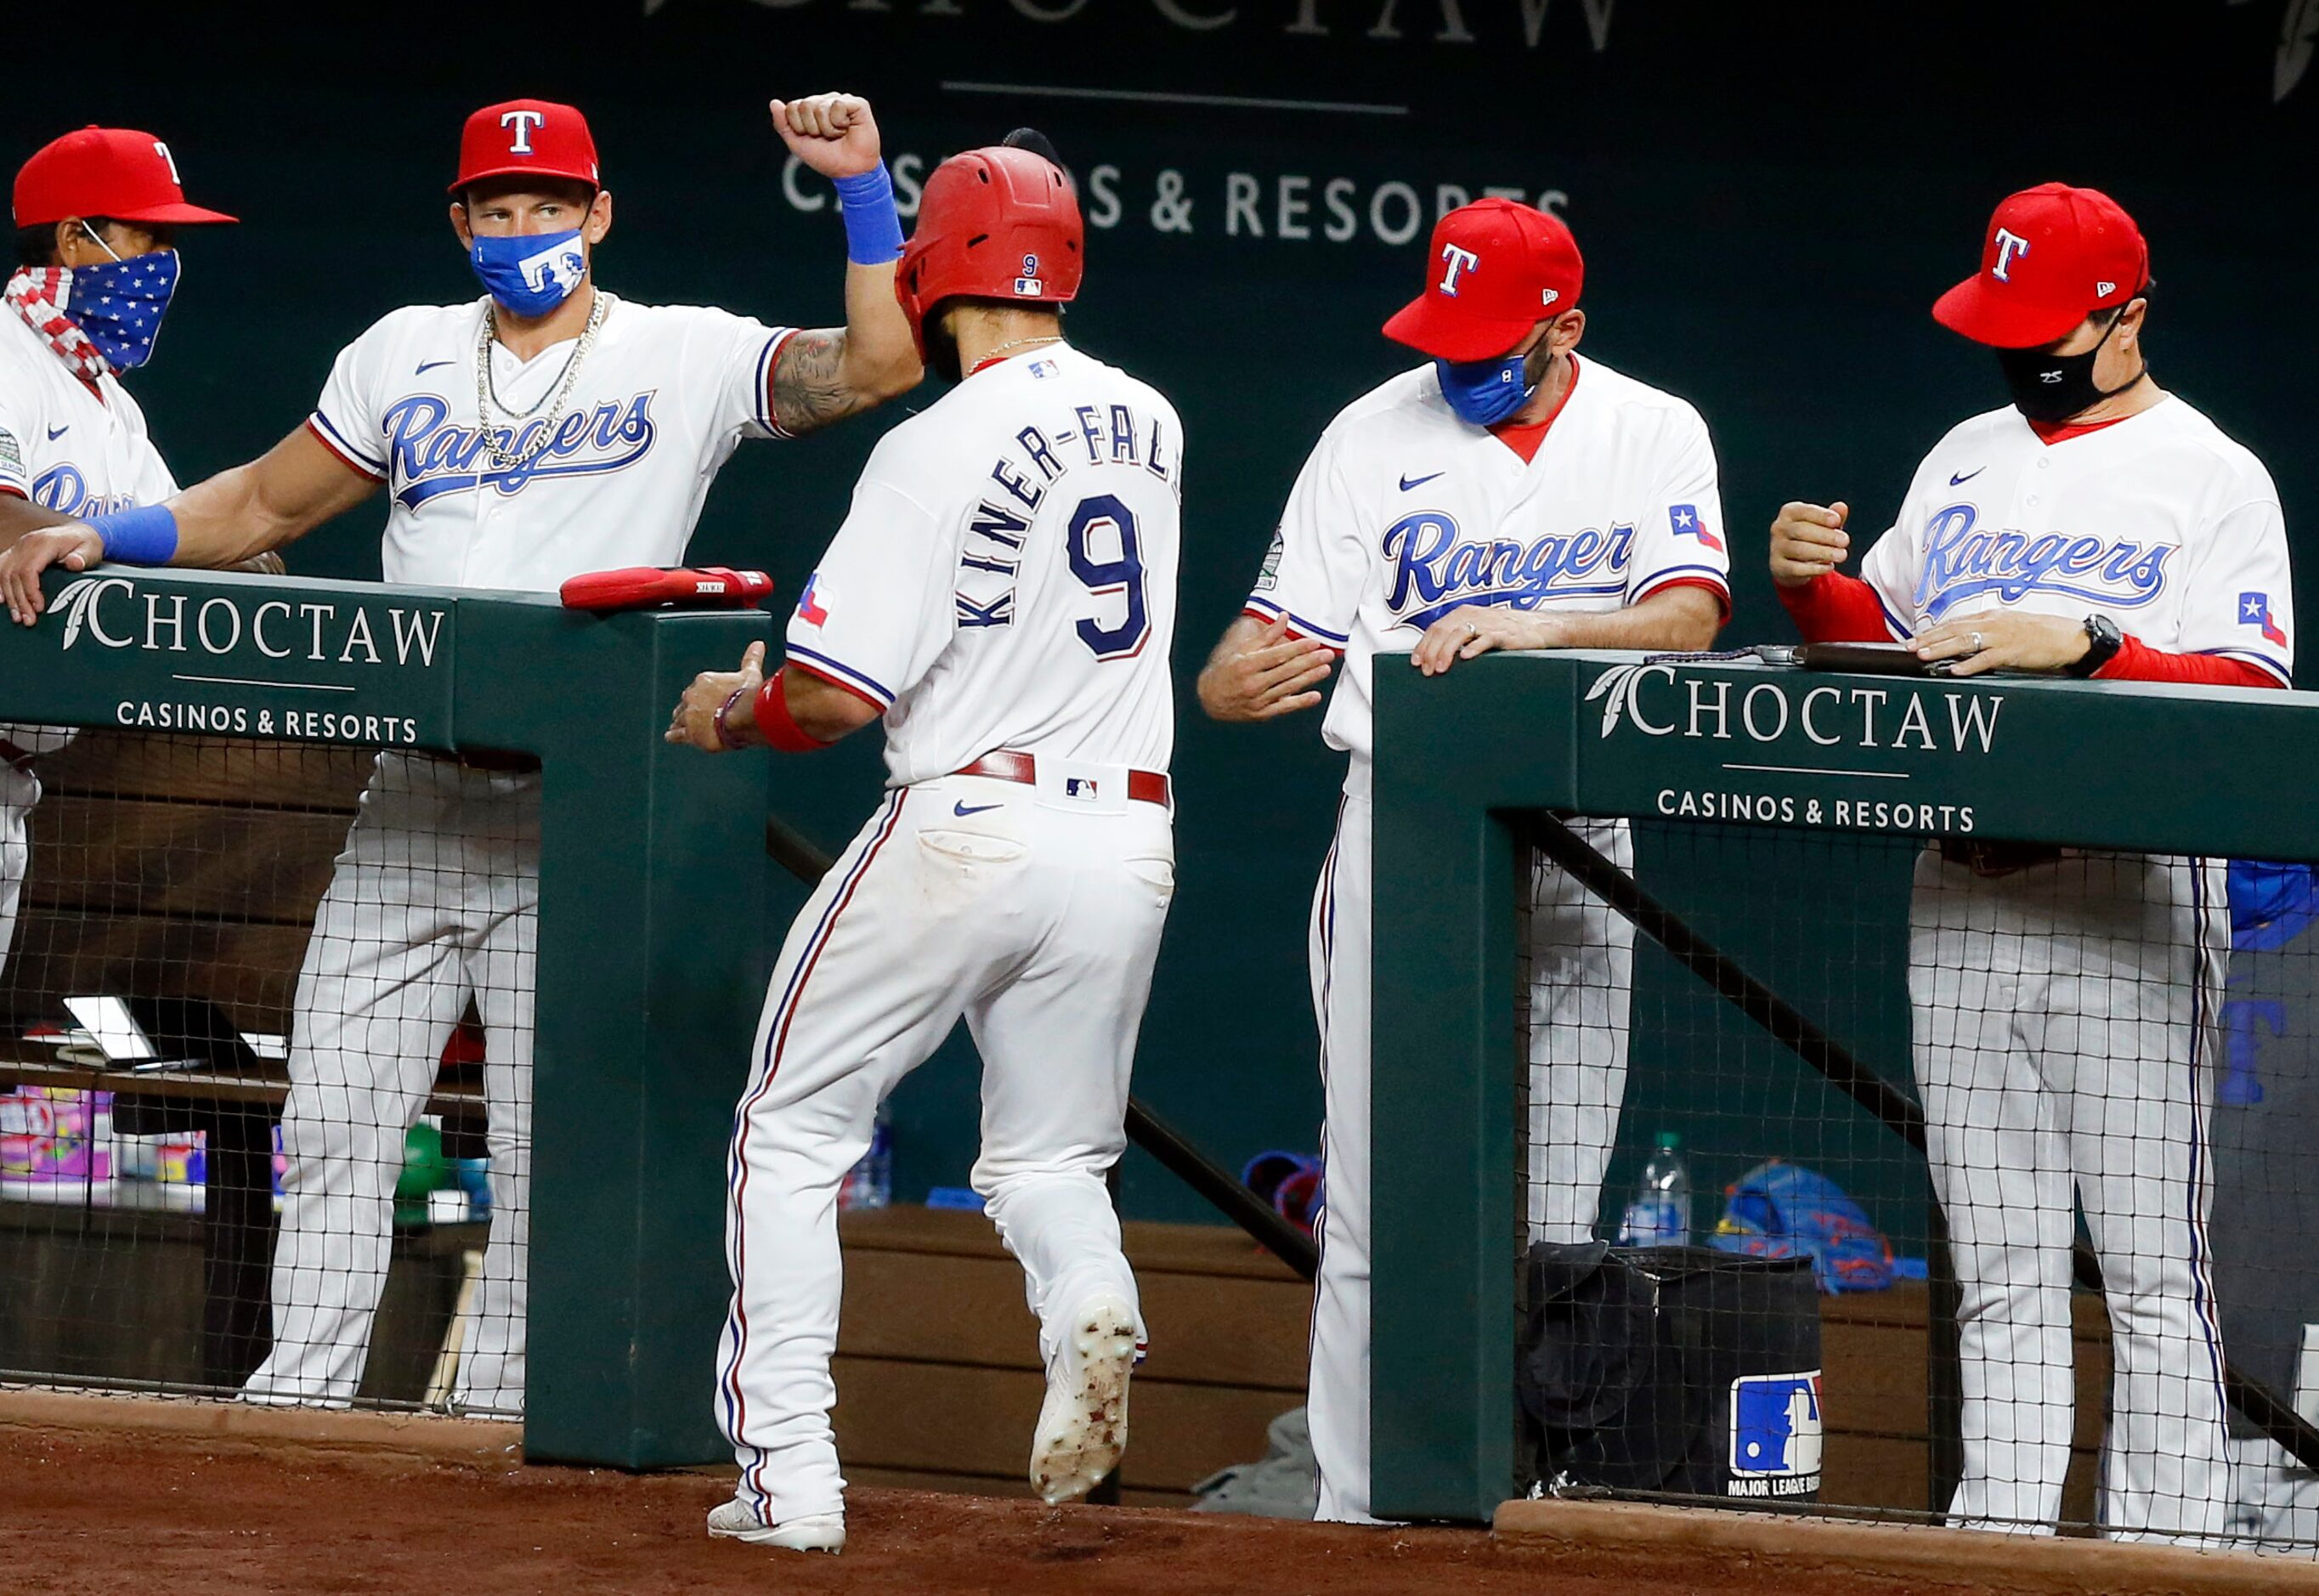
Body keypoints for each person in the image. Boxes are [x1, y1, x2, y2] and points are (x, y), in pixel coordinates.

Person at [0, 92, 920, 1416]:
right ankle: (299, 1401)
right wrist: (114, 538)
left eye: (550, 205)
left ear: (598, 215)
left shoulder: (683, 354)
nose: (524, 227)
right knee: (328, 1122)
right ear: (461, 221)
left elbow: (880, 368)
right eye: (497, 206)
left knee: (554, 1147)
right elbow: (264, 499)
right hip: (413, 800)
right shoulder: (402, 352)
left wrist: (862, 189)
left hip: (585, 802)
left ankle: (492, 1416)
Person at [665, 133, 1182, 1554]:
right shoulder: (1150, 419)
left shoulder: (929, 443)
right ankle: (1086, 1287)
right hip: (1125, 835)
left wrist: (733, 710)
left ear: (936, 269)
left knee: (788, 1128)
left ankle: (790, 1481)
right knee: (1049, 1162)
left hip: (969, 816)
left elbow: (832, 696)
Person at [1768, 181, 2291, 1542]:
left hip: (2122, 891)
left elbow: (2250, 687)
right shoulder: (1962, 454)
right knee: (1996, 1265)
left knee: (2148, 1272)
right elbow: (1883, 631)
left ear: (2128, 316)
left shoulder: (2213, 473)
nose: (2025, 351)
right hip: (1959, 886)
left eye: (2052, 324)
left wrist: (2096, 645)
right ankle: (1995, 1543)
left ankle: (2166, 1553)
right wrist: (1811, 583)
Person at [1197, 198, 1729, 1523]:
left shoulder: (1652, 425)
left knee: (1554, 1217)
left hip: (1581, 847)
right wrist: (1229, 677)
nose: (1459, 360)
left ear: (1566, 330)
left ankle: (1519, 1499)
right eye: (1447, 331)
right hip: (1408, 836)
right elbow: (1261, 638)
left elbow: (1691, 612)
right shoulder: (1370, 433)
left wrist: (1535, 626)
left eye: (1491, 338)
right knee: (1376, 1204)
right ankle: (1354, 1507)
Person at [0, 126, 236, 982]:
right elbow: (3, 525)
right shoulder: (7, 358)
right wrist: (107, 545)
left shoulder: (108, 406)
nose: (166, 260)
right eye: (150, 234)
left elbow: (218, 544)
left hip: (16, 781)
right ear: (75, 238)